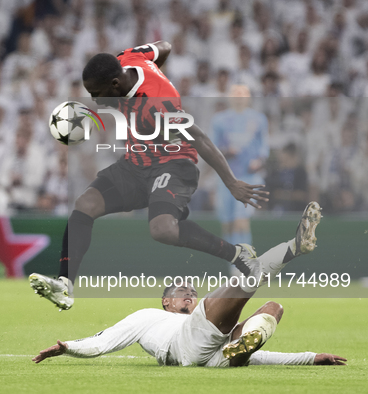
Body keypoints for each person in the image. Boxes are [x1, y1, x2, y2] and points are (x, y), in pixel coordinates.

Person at [30, 41, 269, 310]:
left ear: (115, 85)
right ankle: (64, 285)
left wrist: (232, 183)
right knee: (85, 204)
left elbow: (200, 138)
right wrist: (156, 67)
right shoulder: (128, 58)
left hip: (174, 163)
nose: (95, 101)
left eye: (97, 93)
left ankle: (238, 255)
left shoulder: (159, 102)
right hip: (136, 162)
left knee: (162, 229)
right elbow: (165, 46)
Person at [32, 204, 345, 367]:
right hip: (184, 344)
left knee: (273, 309)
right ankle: (295, 247)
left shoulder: (203, 318)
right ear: (166, 302)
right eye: (182, 292)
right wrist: (67, 347)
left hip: (216, 356)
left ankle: (237, 351)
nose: (190, 294)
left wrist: (309, 357)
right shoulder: (149, 317)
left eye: (192, 292)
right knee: (246, 279)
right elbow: (105, 341)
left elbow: (260, 357)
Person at [211, 85, 269, 270]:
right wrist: (227, 151)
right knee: (228, 224)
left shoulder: (258, 120)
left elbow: (264, 148)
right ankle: (232, 268)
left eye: (242, 94)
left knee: (241, 221)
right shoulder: (219, 120)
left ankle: (246, 266)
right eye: (235, 94)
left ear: (249, 97)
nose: (239, 97)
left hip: (248, 176)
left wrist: (258, 161)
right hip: (226, 178)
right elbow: (212, 148)